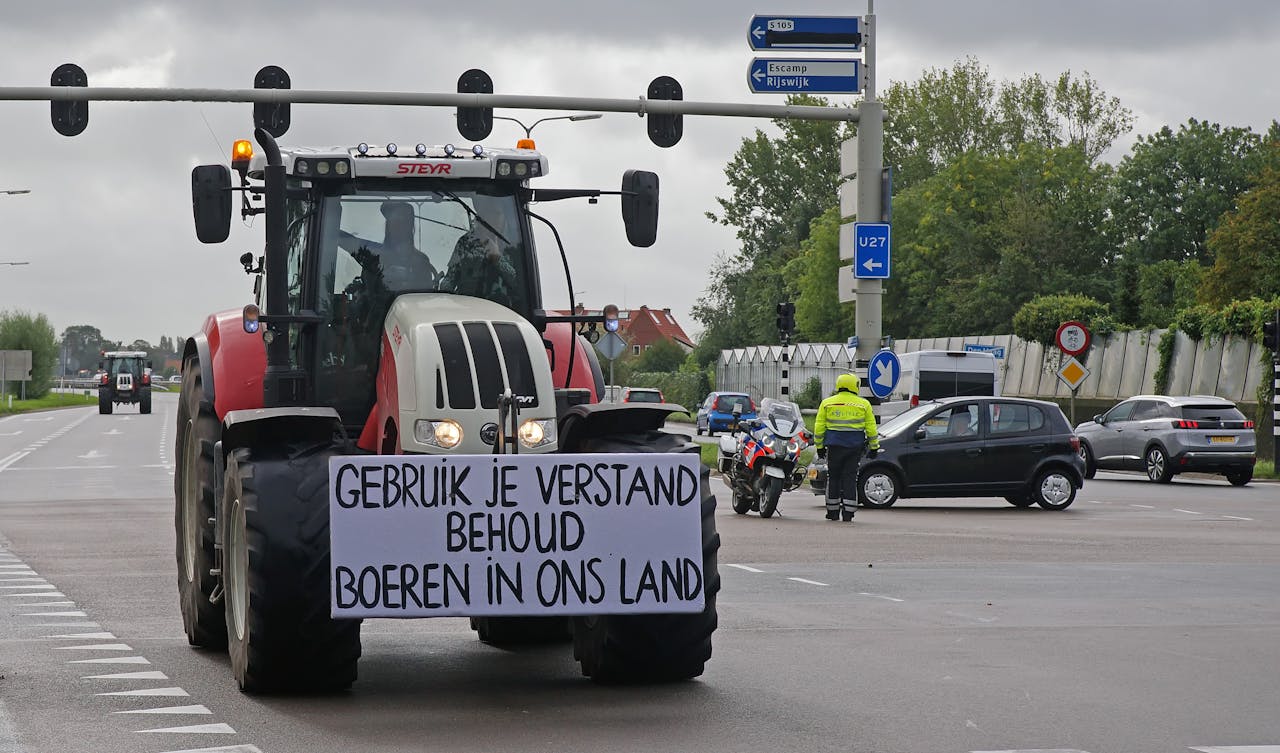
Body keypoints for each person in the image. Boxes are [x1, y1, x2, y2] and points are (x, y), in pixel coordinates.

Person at [814, 372, 880, 522]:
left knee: (834, 477)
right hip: (854, 447)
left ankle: (832, 511)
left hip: (834, 446)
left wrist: (819, 447)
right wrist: (874, 447)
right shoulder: (863, 404)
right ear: (855, 386)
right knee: (850, 478)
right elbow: (871, 428)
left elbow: (819, 427)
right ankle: (848, 513)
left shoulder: (827, 403)